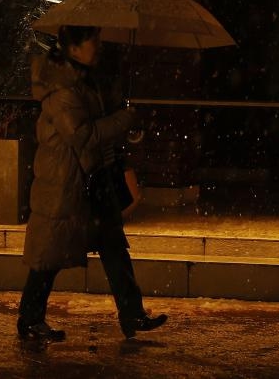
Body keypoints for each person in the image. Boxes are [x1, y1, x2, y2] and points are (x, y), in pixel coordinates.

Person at [17, 24, 167, 342]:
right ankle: (29, 319)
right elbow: (84, 135)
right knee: (49, 256)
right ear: (73, 48)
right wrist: (124, 119)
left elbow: (98, 127)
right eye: (92, 40)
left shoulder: (85, 81)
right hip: (66, 182)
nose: (99, 45)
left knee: (114, 246)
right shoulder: (62, 89)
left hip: (91, 179)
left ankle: (132, 314)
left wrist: (121, 121)